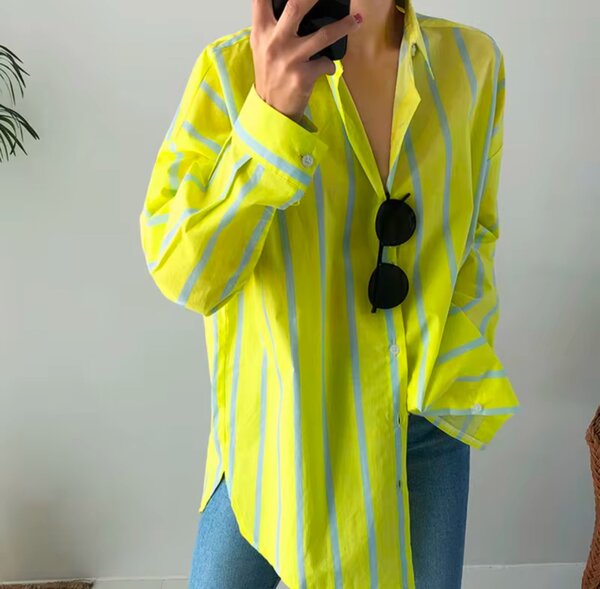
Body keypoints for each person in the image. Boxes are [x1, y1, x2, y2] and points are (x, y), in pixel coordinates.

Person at [139, 0, 521, 587]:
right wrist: (270, 118)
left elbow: (477, 235)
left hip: (421, 427)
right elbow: (184, 272)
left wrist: (452, 369)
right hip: (275, 431)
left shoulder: (473, 63)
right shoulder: (231, 71)